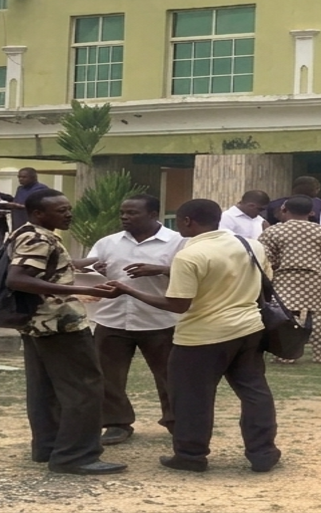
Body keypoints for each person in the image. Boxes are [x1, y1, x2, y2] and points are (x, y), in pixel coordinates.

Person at [105, 198, 281, 474]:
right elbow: (264, 285)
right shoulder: (250, 244)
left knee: (191, 398)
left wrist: (129, 290)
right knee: (255, 392)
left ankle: (190, 455)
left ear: (187, 221)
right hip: (248, 330)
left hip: (202, 336)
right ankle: (263, 452)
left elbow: (178, 304)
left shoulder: (189, 255)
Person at [2, 188, 125, 474]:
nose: (68, 214)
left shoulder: (26, 232)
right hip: (60, 324)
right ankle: (77, 456)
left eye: (68, 208)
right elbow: (18, 278)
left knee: (45, 388)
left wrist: (81, 266)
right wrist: (83, 289)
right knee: (84, 388)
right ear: (38, 213)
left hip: (37, 323)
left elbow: (46, 269)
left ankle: (48, 447)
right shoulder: (39, 238)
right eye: (61, 210)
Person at [79, 194, 182, 446]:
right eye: (123, 213)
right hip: (112, 319)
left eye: (132, 213)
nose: (125, 217)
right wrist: (94, 272)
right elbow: (89, 272)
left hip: (160, 320)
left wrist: (161, 269)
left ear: (153, 214)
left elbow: (191, 273)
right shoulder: (108, 243)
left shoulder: (177, 243)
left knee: (170, 375)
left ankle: (176, 422)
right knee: (108, 376)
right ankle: (116, 423)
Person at [259, 195, 321, 363]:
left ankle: (286, 355)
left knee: (286, 318)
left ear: (284, 210)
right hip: (317, 279)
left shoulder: (273, 231)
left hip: (285, 279)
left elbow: (266, 260)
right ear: (311, 212)